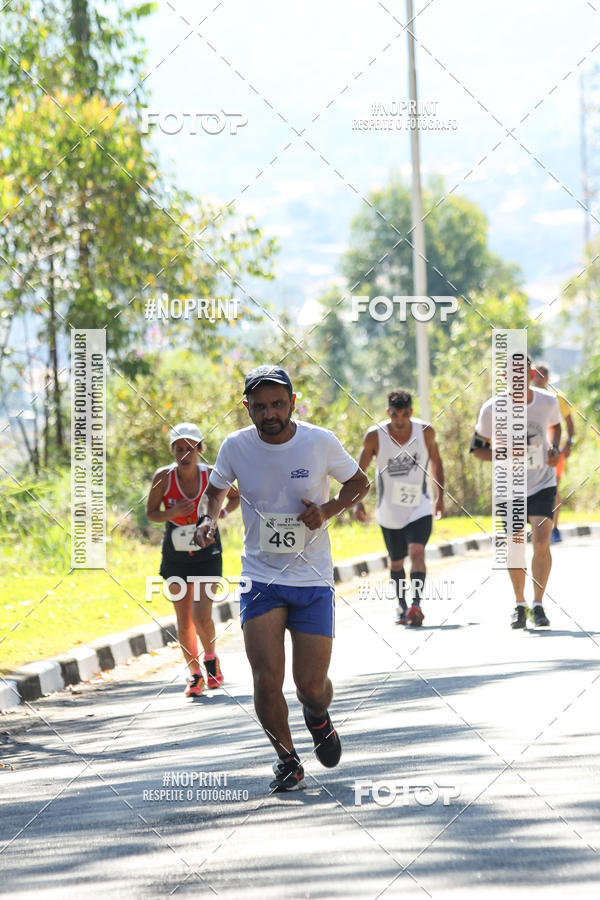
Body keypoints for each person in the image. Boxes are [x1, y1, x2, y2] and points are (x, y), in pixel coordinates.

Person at [194, 365, 369, 792]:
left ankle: (317, 716)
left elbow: (359, 483)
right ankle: (287, 759)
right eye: (259, 407)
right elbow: (217, 489)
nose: (269, 413)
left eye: (277, 404)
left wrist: (326, 512)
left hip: (311, 576)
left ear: (293, 401)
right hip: (260, 574)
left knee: (310, 685)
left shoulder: (319, 441)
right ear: (247, 408)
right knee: (266, 678)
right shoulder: (236, 445)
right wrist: (207, 519)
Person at [146, 422, 239, 697]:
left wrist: (220, 513)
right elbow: (151, 513)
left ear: (199, 449)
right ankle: (194, 674)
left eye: (190, 448)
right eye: (179, 448)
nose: (184, 454)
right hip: (176, 554)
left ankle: (210, 658)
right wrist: (171, 512)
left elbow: (235, 498)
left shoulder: (212, 474)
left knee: (201, 614)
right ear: (172, 450)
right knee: (183, 618)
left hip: (207, 551)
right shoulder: (163, 477)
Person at [471, 357, 561, 628]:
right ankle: (520, 603)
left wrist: (554, 449)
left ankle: (539, 604)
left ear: (531, 373)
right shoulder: (492, 408)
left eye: (523, 372)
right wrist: (507, 452)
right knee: (515, 545)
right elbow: (477, 449)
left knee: (542, 541)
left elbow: (555, 427)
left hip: (543, 482)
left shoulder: (547, 401)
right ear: (505, 376)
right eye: (512, 373)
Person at [354, 388, 445, 626]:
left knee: (417, 552)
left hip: (419, 506)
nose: (400, 421)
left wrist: (440, 496)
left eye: (404, 415)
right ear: (388, 413)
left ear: (411, 412)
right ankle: (402, 606)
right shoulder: (374, 436)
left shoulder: (425, 432)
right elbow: (359, 472)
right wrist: (357, 502)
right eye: (395, 415)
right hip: (389, 510)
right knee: (396, 561)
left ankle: (416, 604)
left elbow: (436, 462)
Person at [531, 361, 575, 543]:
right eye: (536, 375)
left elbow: (569, 424)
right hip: (531, 452)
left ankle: (554, 528)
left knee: (553, 488)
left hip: (553, 452)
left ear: (548, 378)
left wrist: (568, 444)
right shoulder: (526, 398)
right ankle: (536, 527)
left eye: (542, 376)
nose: (539, 379)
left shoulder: (557, 398)